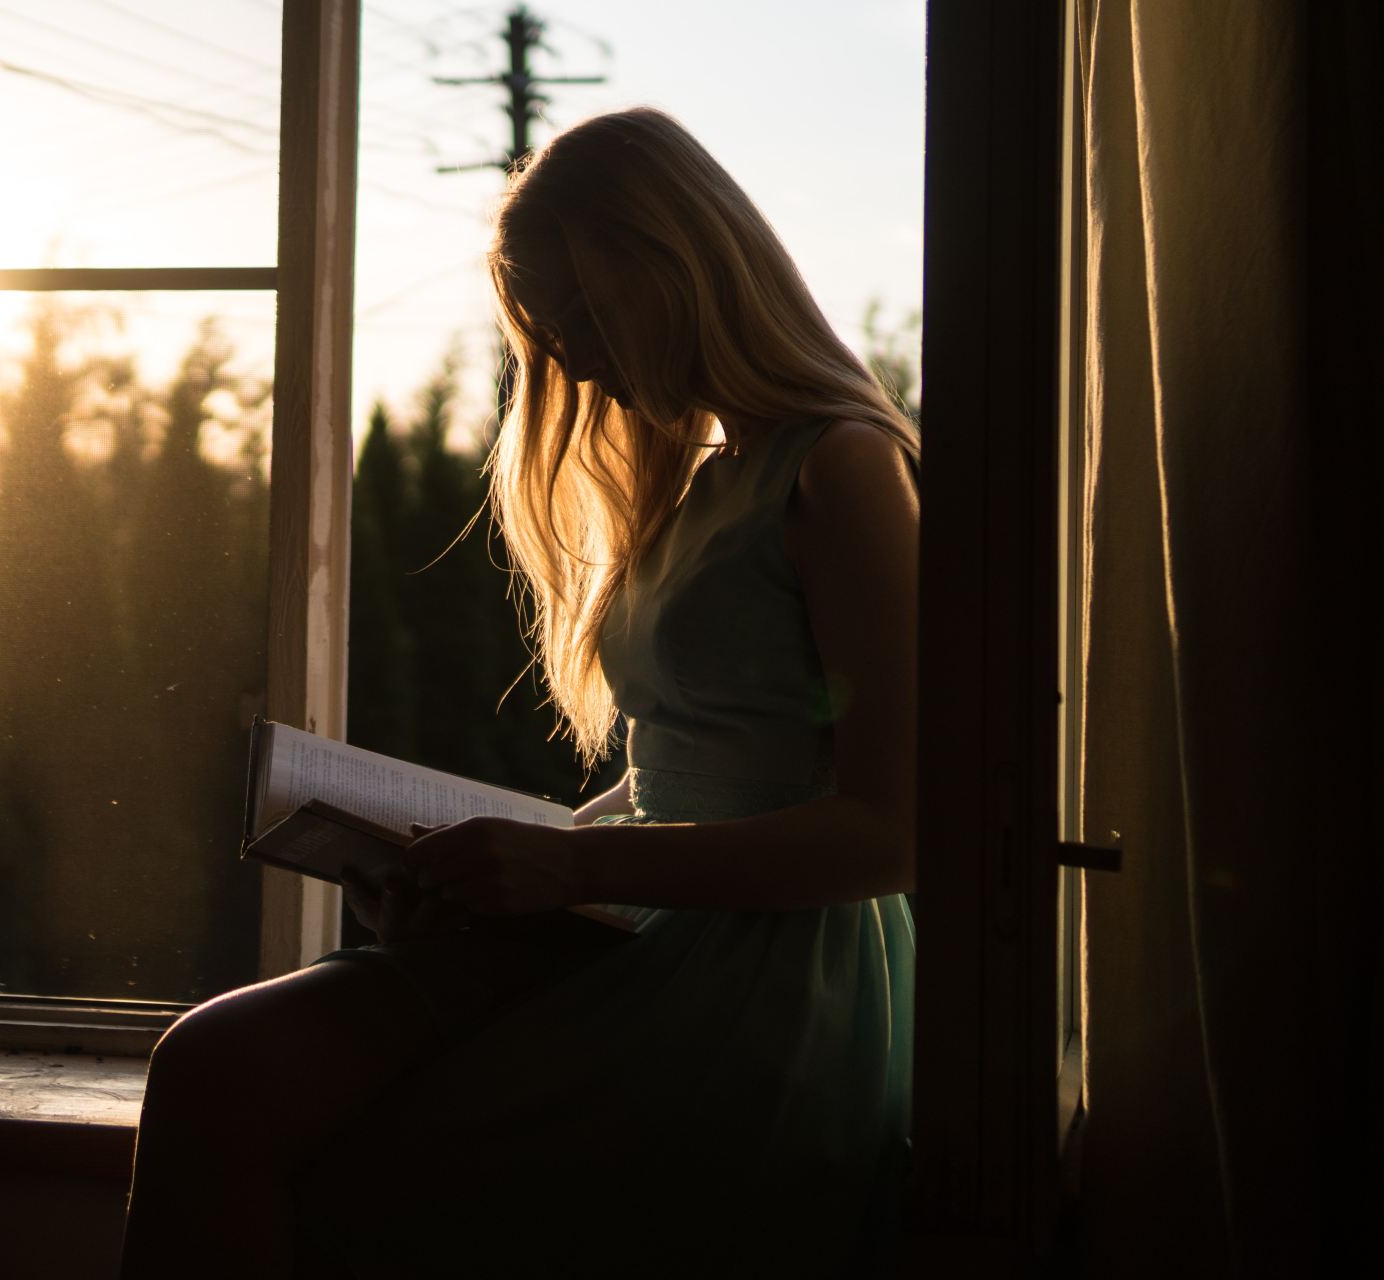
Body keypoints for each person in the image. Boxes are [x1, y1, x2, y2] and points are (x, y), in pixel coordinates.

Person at [119, 106, 920, 1279]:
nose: (578, 361)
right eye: (549, 335)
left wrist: (573, 867)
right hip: (645, 923)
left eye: (586, 313)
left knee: (273, 1114)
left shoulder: (843, 467)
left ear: (680, 264)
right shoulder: (713, 482)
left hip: (763, 979)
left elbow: (892, 831)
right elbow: (672, 776)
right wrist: (482, 875)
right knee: (216, 1061)